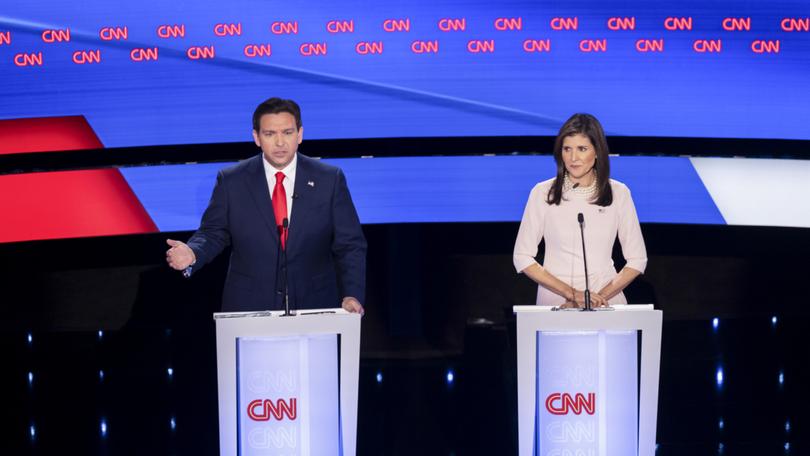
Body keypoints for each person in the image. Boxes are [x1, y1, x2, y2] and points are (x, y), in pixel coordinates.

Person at [165, 97, 366, 314]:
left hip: (315, 304)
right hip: (250, 306)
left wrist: (351, 294)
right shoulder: (233, 180)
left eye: (287, 132)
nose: (280, 143)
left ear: (300, 134)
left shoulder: (329, 179)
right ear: (257, 138)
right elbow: (214, 232)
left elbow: (350, 244)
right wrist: (193, 252)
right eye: (270, 134)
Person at [513, 113, 647, 308]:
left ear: (597, 151)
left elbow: (637, 260)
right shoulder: (543, 192)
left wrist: (597, 299)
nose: (573, 158)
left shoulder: (619, 193)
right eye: (567, 149)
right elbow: (522, 257)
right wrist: (572, 294)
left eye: (582, 149)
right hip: (555, 301)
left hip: (606, 301)